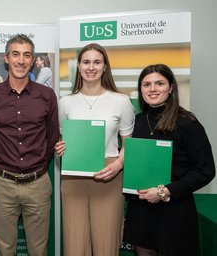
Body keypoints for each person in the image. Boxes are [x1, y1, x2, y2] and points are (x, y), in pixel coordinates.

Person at [0, 34, 60, 256]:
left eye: (27, 55)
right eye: (15, 54)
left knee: (38, 250)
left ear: (33, 60)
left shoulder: (47, 96)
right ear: (7, 58)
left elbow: (52, 138)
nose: (21, 60)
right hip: (3, 184)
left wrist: (38, 165)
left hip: (38, 183)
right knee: (5, 249)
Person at [124, 64, 215, 256]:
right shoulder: (138, 121)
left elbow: (205, 170)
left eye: (159, 83)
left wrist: (165, 191)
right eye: (146, 84)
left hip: (174, 210)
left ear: (171, 87)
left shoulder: (187, 123)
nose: (153, 89)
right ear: (141, 89)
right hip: (141, 209)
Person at [55, 43, 135, 256]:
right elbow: (62, 138)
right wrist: (61, 147)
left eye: (97, 62)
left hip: (109, 176)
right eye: (86, 62)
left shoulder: (121, 101)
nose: (91, 67)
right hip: (73, 178)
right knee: (74, 246)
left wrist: (118, 164)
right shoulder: (65, 102)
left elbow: (129, 144)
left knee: (106, 245)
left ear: (105, 67)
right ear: (79, 66)